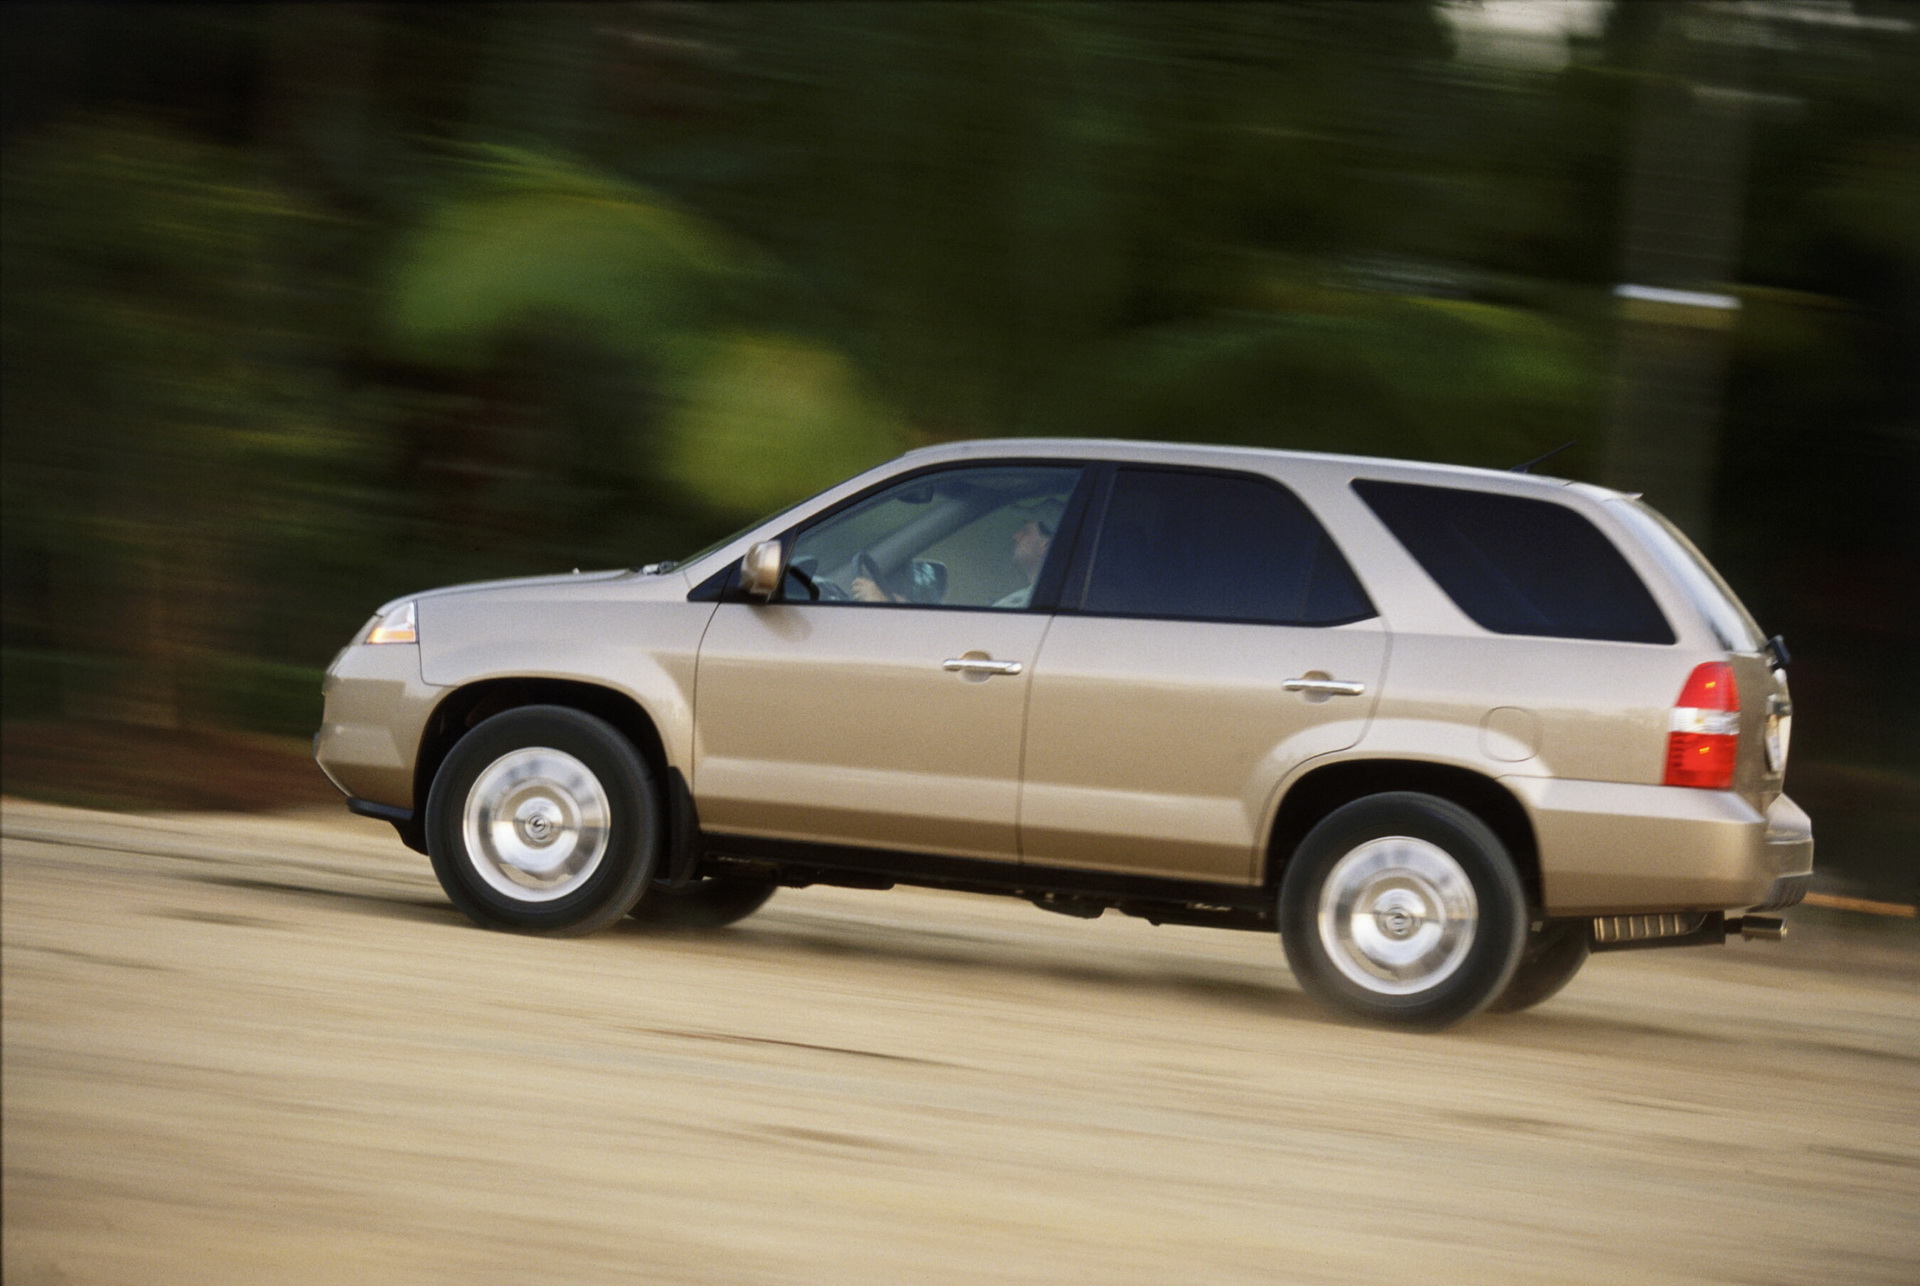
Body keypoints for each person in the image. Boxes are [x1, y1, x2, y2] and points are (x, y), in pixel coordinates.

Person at [849, 507, 1057, 608]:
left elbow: (966, 643)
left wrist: (884, 603)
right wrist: (902, 606)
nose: (1016, 535)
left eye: (1027, 530)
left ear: (1045, 545)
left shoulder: (1029, 603)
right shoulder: (1040, 600)